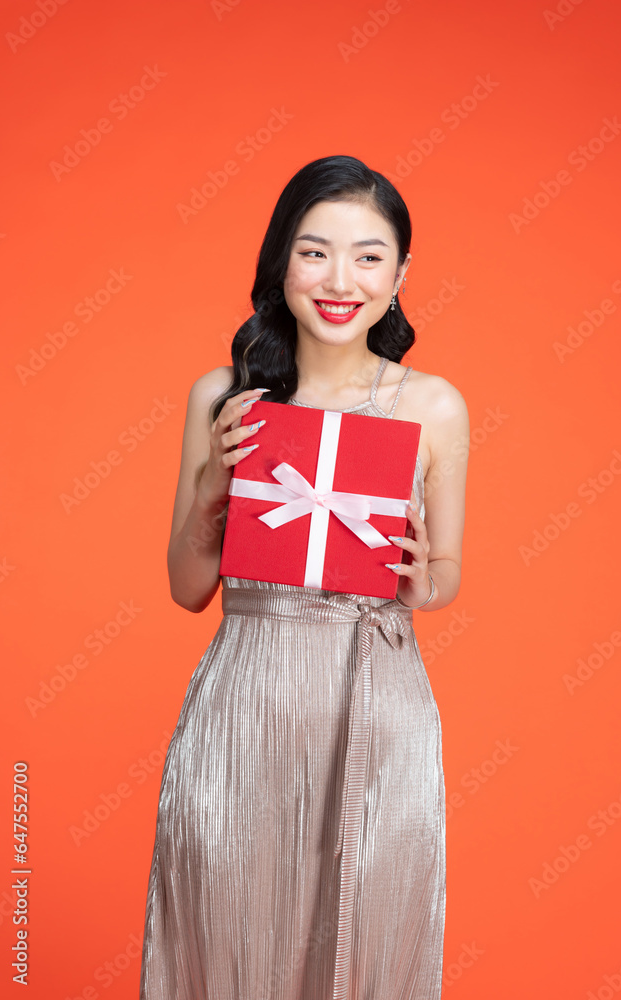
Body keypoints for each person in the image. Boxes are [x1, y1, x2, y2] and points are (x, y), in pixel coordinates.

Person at [139, 154, 469, 1000]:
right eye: (313, 251)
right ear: (278, 261)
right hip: (246, 697)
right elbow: (186, 586)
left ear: (398, 274)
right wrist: (215, 480)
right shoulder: (224, 394)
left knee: (365, 924)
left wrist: (417, 573)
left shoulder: (429, 405)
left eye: (367, 256)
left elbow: (443, 579)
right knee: (226, 921)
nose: (339, 279)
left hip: (374, 694)